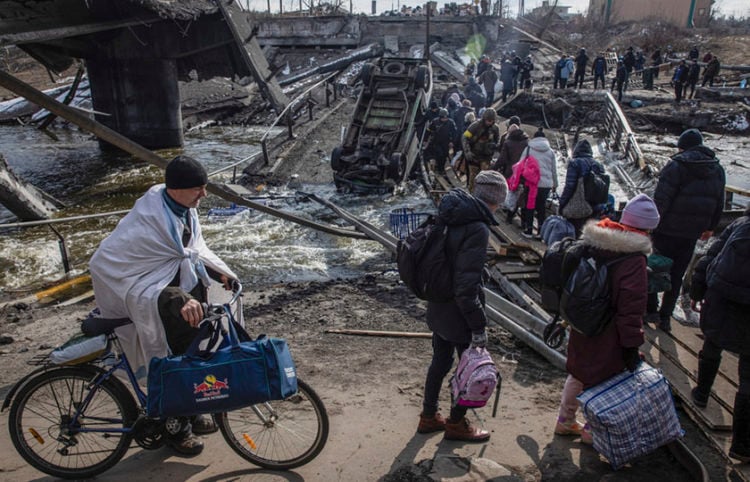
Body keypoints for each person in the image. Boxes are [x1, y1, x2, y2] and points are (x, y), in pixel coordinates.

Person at [90, 155, 238, 456]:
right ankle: (176, 429)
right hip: (158, 303)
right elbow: (125, 273)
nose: (204, 194)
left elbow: (192, 252)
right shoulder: (146, 222)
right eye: (198, 188)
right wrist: (179, 298)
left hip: (184, 300)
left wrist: (216, 272)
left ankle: (191, 410)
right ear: (177, 188)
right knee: (169, 361)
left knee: (192, 354)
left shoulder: (185, 210)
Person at [555, 194, 658, 446]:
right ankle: (591, 430)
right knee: (604, 380)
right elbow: (631, 308)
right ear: (647, 228)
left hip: (582, 320)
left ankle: (565, 420)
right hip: (607, 330)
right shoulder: (633, 259)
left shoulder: (594, 241)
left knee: (578, 371)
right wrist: (632, 346)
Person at [417, 170, 507, 442]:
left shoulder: (450, 213)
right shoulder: (477, 227)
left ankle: (428, 416)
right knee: (472, 371)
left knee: (440, 362)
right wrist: (478, 324)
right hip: (459, 312)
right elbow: (466, 286)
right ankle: (456, 423)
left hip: (438, 302)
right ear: (497, 199)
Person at [647, 129, 725, 332]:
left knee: (655, 268)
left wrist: (651, 224)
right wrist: (710, 227)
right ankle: (665, 318)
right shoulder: (716, 169)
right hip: (691, 233)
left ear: (683, 146)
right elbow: (719, 202)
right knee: (677, 274)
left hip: (666, 229)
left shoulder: (676, 165)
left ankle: (650, 309)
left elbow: (662, 199)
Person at [689, 206, 750, 462]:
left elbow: (710, 256)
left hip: (721, 299)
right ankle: (742, 446)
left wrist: (696, 290)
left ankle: (701, 394)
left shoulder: (740, 224)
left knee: (712, 344)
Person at [558, 138, 607, 236]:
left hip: (579, 205)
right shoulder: (599, 165)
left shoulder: (575, 163)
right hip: (596, 206)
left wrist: (562, 203)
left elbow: (570, 186)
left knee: (575, 234)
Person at [525, 127, 558, 237]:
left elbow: (521, 163)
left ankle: (528, 230)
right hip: (546, 185)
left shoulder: (529, 149)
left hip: (531, 183)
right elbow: (554, 170)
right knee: (541, 207)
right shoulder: (551, 152)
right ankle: (540, 232)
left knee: (530, 205)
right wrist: (555, 184)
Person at [462, 108, 500, 192]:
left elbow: (497, 141)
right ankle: (471, 193)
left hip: (486, 157)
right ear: (484, 118)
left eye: (491, 120)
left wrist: (494, 146)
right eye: (488, 120)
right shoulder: (475, 126)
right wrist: (467, 151)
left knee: (484, 178)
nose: (489, 122)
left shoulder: (495, 128)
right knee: (473, 178)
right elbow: (465, 137)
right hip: (474, 156)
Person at [423, 108, 457, 174]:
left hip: (446, 142)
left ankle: (441, 168)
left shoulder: (451, 122)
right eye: (443, 118)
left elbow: (454, 133)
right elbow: (428, 131)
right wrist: (425, 140)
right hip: (436, 142)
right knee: (439, 154)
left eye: (445, 118)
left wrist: (452, 141)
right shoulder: (434, 122)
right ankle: (439, 168)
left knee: (444, 156)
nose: (444, 119)